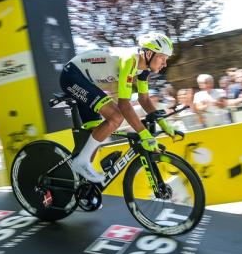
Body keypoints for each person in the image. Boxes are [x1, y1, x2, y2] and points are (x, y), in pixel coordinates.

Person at [59, 33, 176, 183]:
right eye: (162, 58)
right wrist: (144, 134)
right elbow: (124, 104)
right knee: (116, 116)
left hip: (88, 83)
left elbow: (144, 99)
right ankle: (80, 162)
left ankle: (75, 185)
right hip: (72, 76)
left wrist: (164, 124)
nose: (165, 64)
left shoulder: (143, 69)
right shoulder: (130, 60)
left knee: (91, 143)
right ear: (148, 53)